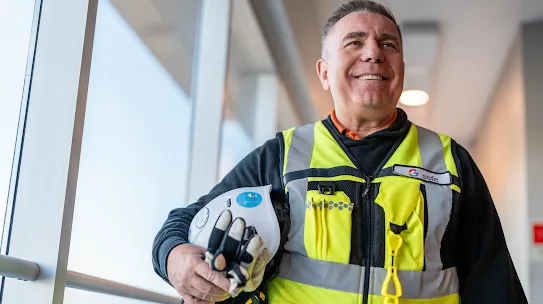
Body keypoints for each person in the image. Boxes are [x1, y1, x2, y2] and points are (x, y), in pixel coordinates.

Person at [152, 0, 528, 303]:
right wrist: (175, 259)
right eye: (354, 42)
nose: (374, 54)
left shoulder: (450, 163)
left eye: (388, 44)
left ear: (399, 68)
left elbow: (494, 286)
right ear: (324, 72)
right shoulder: (282, 157)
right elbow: (184, 223)